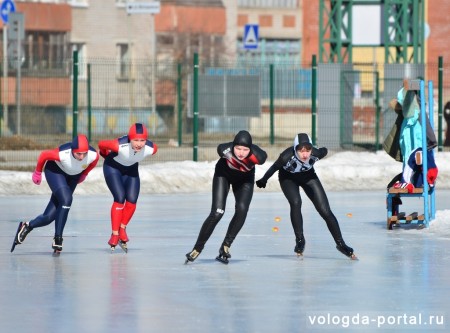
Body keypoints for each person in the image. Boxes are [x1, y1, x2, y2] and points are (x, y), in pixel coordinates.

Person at [255, 133, 357, 260]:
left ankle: (341, 244)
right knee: (296, 202)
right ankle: (300, 239)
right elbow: (274, 168)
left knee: (325, 211)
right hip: (288, 178)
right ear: (295, 149)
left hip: (308, 176)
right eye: (301, 150)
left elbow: (323, 151)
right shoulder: (286, 156)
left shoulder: (316, 153)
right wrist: (264, 180)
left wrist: (323, 149)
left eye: (308, 150)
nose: (305, 154)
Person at [185, 130, 267, 264]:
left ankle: (225, 246)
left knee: (242, 210)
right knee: (217, 212)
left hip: (245, 180)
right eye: (238, 148)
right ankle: (197, 248)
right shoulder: (224, 150)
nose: (241, 152)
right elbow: (221, 147)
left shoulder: (258, 156)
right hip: (223, 175)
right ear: (233, 146)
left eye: (245, 149)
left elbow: (263, 156)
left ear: (250, 149)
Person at [11, 134, 99, 253]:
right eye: (78, 153)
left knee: (49, 217)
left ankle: (27, 226)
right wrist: (38, 172)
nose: (82, 157)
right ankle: (58, 239)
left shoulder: (93, 155)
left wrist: (85, 173)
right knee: (67, 200)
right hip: (55, 172)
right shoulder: (63, 154)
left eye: (84, 153)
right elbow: (44, 155)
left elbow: (94, 161)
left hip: (73, 177)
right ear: (73, 150)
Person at [98, 123, 157, 252]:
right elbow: (101, 144)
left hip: (131, 169)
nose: (139, 144)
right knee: (120, 197)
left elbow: (149, 148)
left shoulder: (151, 148)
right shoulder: (118, 145)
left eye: (142, 140)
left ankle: (122, 228)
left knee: (132, 200)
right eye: (136, 140)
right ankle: (114, 234)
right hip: (112, 167)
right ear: (130, 138)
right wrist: (104, 155)